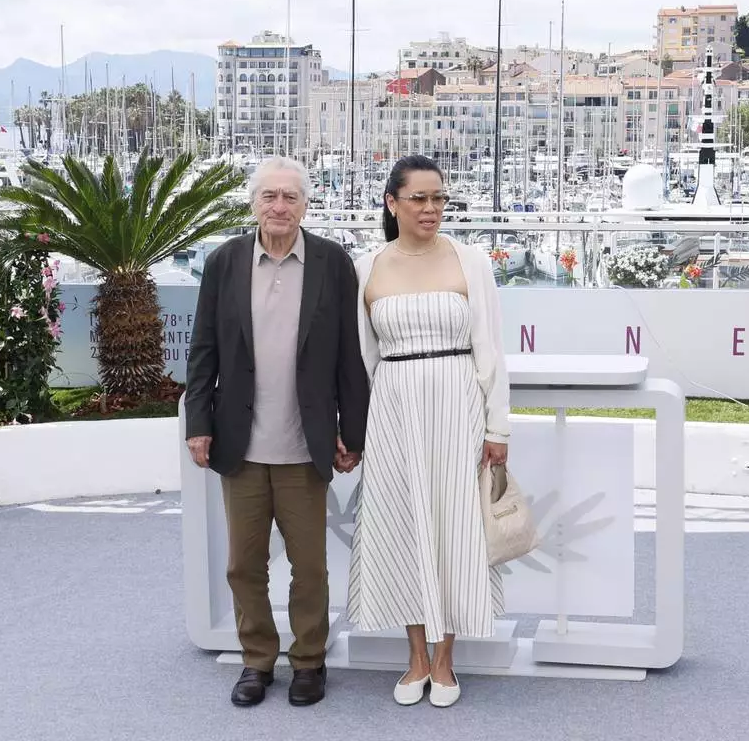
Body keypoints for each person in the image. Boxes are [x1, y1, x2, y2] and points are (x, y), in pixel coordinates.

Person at [184, 156, 370, 708]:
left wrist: (351, 433)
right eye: (269, 196)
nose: (280, 206)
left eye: (290, 196)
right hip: (240, 442)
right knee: (244, 563)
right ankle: (257, 660)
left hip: (304, 444)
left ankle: (309, 660)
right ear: (254, 204)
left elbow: (349, 358)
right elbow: (203, 350)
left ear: (305, 204)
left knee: (309, 566)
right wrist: (198, 424)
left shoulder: (333, 263)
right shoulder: (224, 262)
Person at [346, 155, 510, 708]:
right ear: (392, 203)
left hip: (458, 406)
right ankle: (415, 656)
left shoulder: (472, 261)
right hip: (392, 409)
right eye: (418, 198)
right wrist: (357, 428)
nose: (431, 208)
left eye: (439, 198)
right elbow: (362, 358)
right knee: (403, 527)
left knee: (455, 529)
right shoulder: (366, 266)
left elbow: (490, 352)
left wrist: (498, 428)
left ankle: (446, 659)